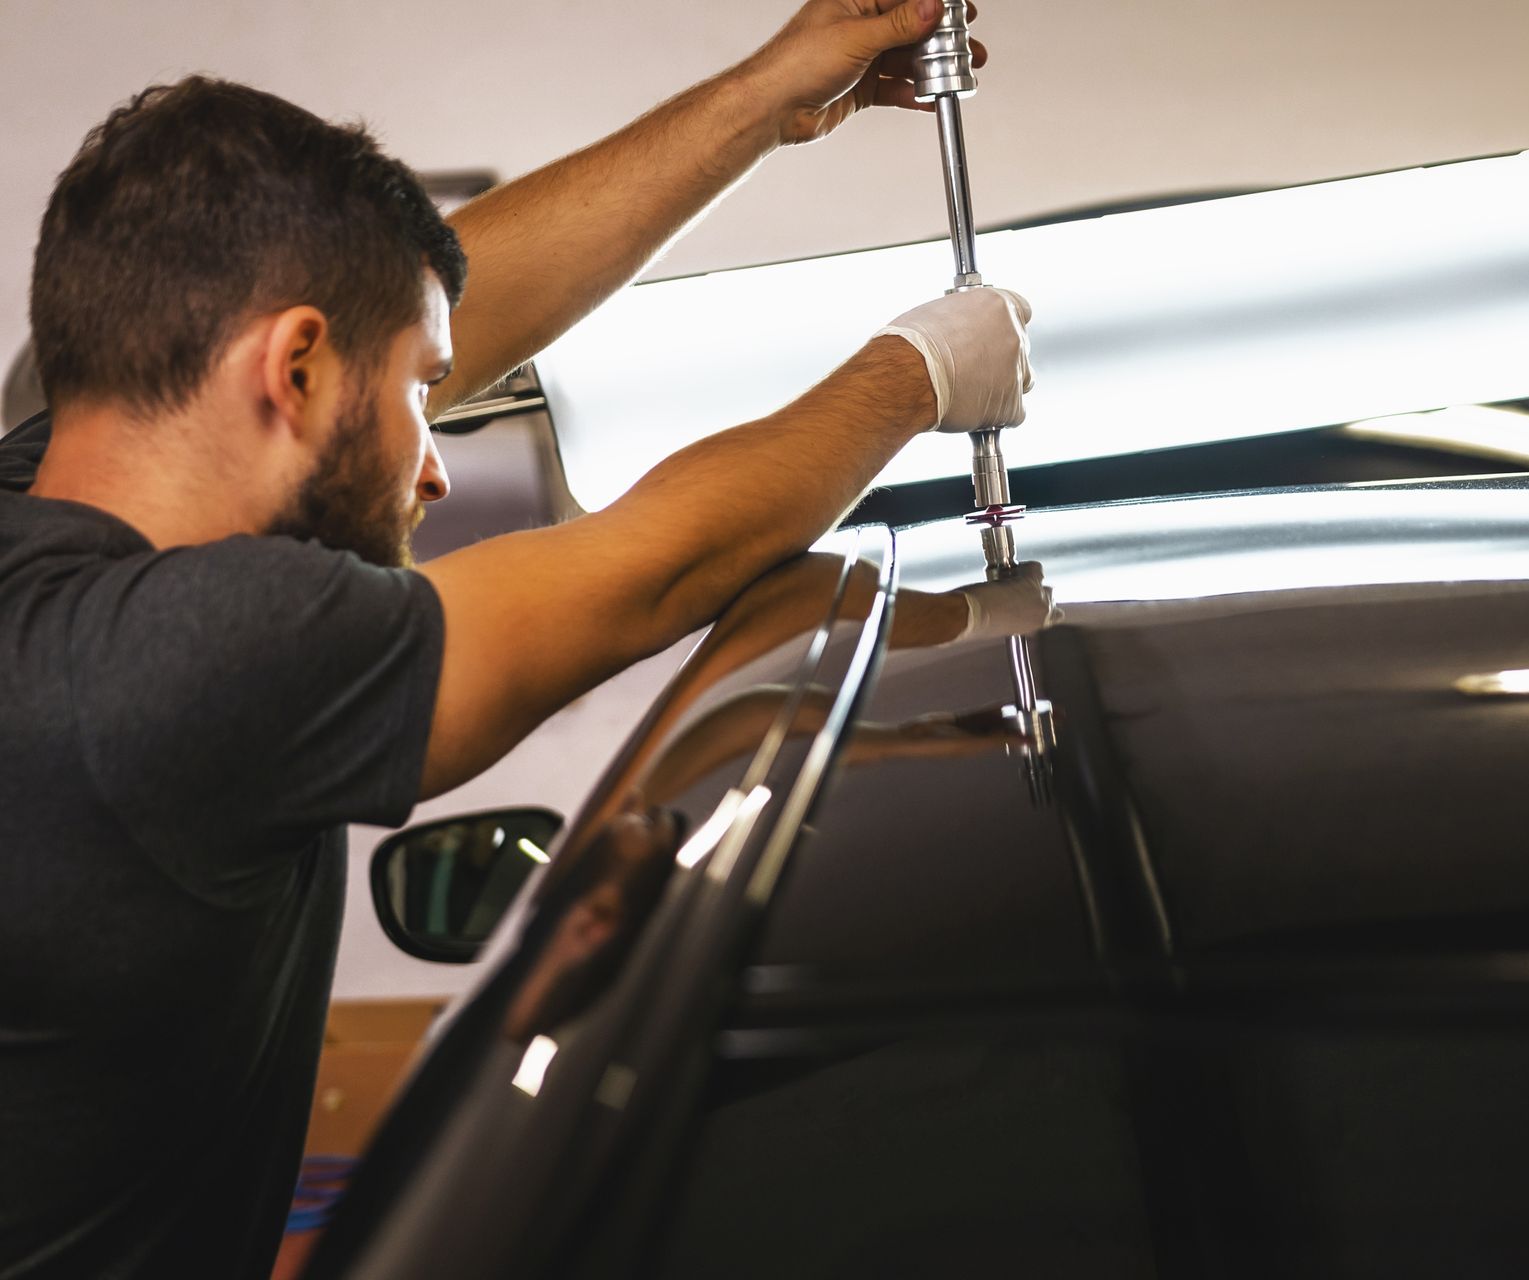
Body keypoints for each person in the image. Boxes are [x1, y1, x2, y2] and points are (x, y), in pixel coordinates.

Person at [0, 1, 1045, 1275]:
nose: (433, 467)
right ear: (296, 369)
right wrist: (925, 370)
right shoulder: (188, 661)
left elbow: (430, 301)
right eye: (424, 397)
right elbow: (657, 567)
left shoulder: (39, 492)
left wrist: (772, 92)